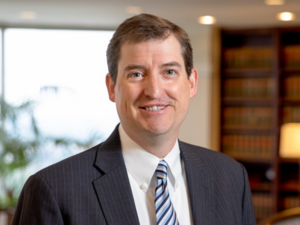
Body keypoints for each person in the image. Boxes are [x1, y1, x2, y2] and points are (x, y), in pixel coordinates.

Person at [12, 14, 256, 225]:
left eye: (169, 72)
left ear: (191, 83)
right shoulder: (53, 189)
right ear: (112, 87)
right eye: (136, 74)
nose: (154, 90)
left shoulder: (231, 177)